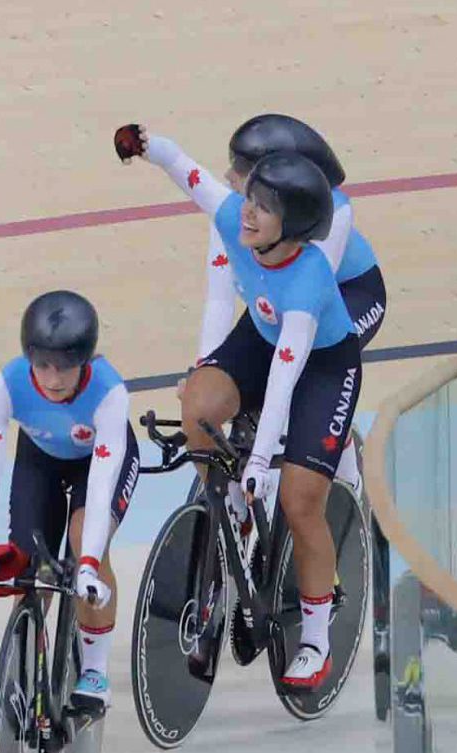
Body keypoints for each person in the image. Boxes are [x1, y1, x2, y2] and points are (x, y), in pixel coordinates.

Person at [116, 124, 362, 691]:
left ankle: (317, 637)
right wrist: (146, 145)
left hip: (321, 365)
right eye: (251, 200)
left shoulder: (307, 284)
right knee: (198, 406)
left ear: (293, 227)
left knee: (302, 502)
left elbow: (283, 382)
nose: (246, 214)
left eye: (263, 209)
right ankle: (232, 510)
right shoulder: (235, 218)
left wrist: (258, 466)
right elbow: (191, 175)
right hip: (262, 334)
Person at [0, 291, 141, 711]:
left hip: (99, 463)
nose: (53, 379)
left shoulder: (110, 393)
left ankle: (94, 670)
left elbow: (100, 484)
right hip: (40, 460)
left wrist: (89, 561)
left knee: (81, 538)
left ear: (85, 362)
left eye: (65, 368)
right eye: (43, 366)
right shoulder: (3, 386)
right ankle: (28, 670)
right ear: (28, 358)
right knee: (28, 567)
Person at [211, 114, 386, 495]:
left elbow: (308, 307)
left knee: (312, 374)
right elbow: (220, 295)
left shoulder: (335, 211)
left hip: (348, 296)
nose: (226, 175)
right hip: (286, 298)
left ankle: (348, 482)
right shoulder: (237, 215)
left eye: (239, 168)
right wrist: (207, 363)